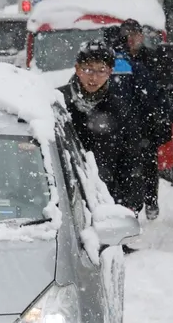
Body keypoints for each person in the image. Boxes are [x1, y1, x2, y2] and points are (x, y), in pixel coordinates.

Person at [58, 42, 141, 211]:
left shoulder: (119, 109)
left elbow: (130, 158)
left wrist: (130, 202)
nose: (94, 78)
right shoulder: (58, 101)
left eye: (101, 71)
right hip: (64, 197)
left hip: (105, 199)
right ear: (77, 68)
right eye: (88, 69)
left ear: (110, 72)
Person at [109, 19, 171, 220]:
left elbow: (158, 89)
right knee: (129, 167)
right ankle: (130, 207)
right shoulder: (117, 60)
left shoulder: (149, 58)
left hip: (148, 121)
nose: (134, 39)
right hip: (127, 123)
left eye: (136, 35)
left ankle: (151, 200)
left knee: (149, 164)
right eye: (130, 35)